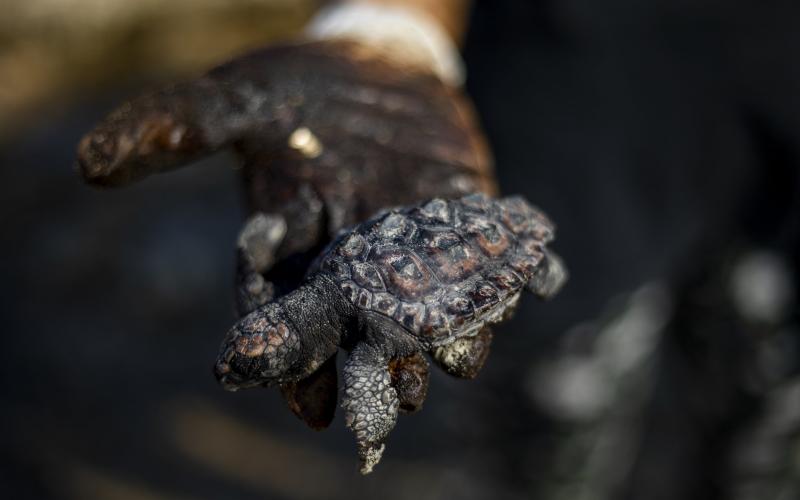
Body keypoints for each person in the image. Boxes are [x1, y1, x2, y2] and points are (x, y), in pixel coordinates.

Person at [78, 0, 800, 497]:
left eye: (248, 351)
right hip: (569, 86)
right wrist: (387, 23)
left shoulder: (343, 312)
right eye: (250, 353)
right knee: (550, 399)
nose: (242, 357)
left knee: (770, 417)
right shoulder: (338, 298)